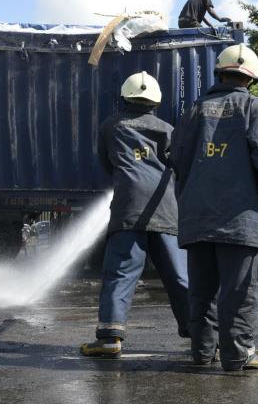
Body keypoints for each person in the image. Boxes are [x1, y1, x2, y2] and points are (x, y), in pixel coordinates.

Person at [171, 44, 258, 371]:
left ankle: (202, 352)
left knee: (202, 290)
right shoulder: (255, 108)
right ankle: (237, 354)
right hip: (238, 218)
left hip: (197, 217)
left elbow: (176, 158)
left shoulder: (194, 110)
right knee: (238, 291)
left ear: (219, 73)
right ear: (251, 77)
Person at [80, 71, 190, 358]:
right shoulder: (167, 129)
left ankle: (109, 339)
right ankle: (202, 337)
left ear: (124, 97)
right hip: (165, 208)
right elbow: (180, 165)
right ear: (156, 101)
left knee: (121, 273)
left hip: (128, 206)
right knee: (179, 276)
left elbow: (107, 164)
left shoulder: (111, 126)